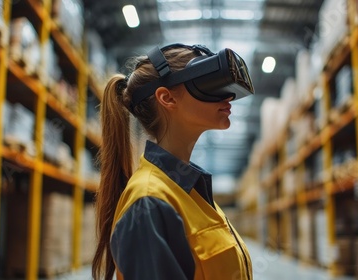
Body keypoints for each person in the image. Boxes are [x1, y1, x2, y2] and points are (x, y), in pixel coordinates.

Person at [92, 43, 254, 280]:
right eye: (207, 82)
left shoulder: (192, 193)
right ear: (167, 98)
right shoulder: (149, 203)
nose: (228, 95)